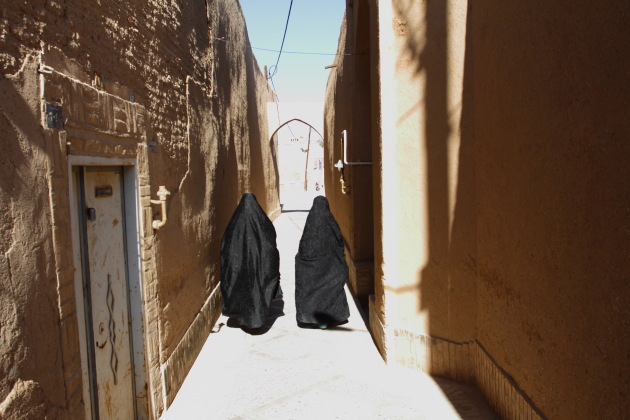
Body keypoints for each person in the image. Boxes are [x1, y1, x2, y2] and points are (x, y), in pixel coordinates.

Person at [220, 193, 281, 329]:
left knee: (242, 289)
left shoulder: (234, 224)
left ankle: (243, 318)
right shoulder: (262, 221)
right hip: (259, 264)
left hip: (239, 265)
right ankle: (258, 316)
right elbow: (271, 240)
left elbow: (225, 246)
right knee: (258, 289)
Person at [295, 196, 350, 329]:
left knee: (312, 289)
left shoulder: (311, 223)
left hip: (312, 265)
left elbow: (303, 246)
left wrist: (302, 260)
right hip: (330, 263)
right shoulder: (331, 223)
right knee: (330, 289)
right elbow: (339, 243)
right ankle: (325, 319)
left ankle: (312, 318)